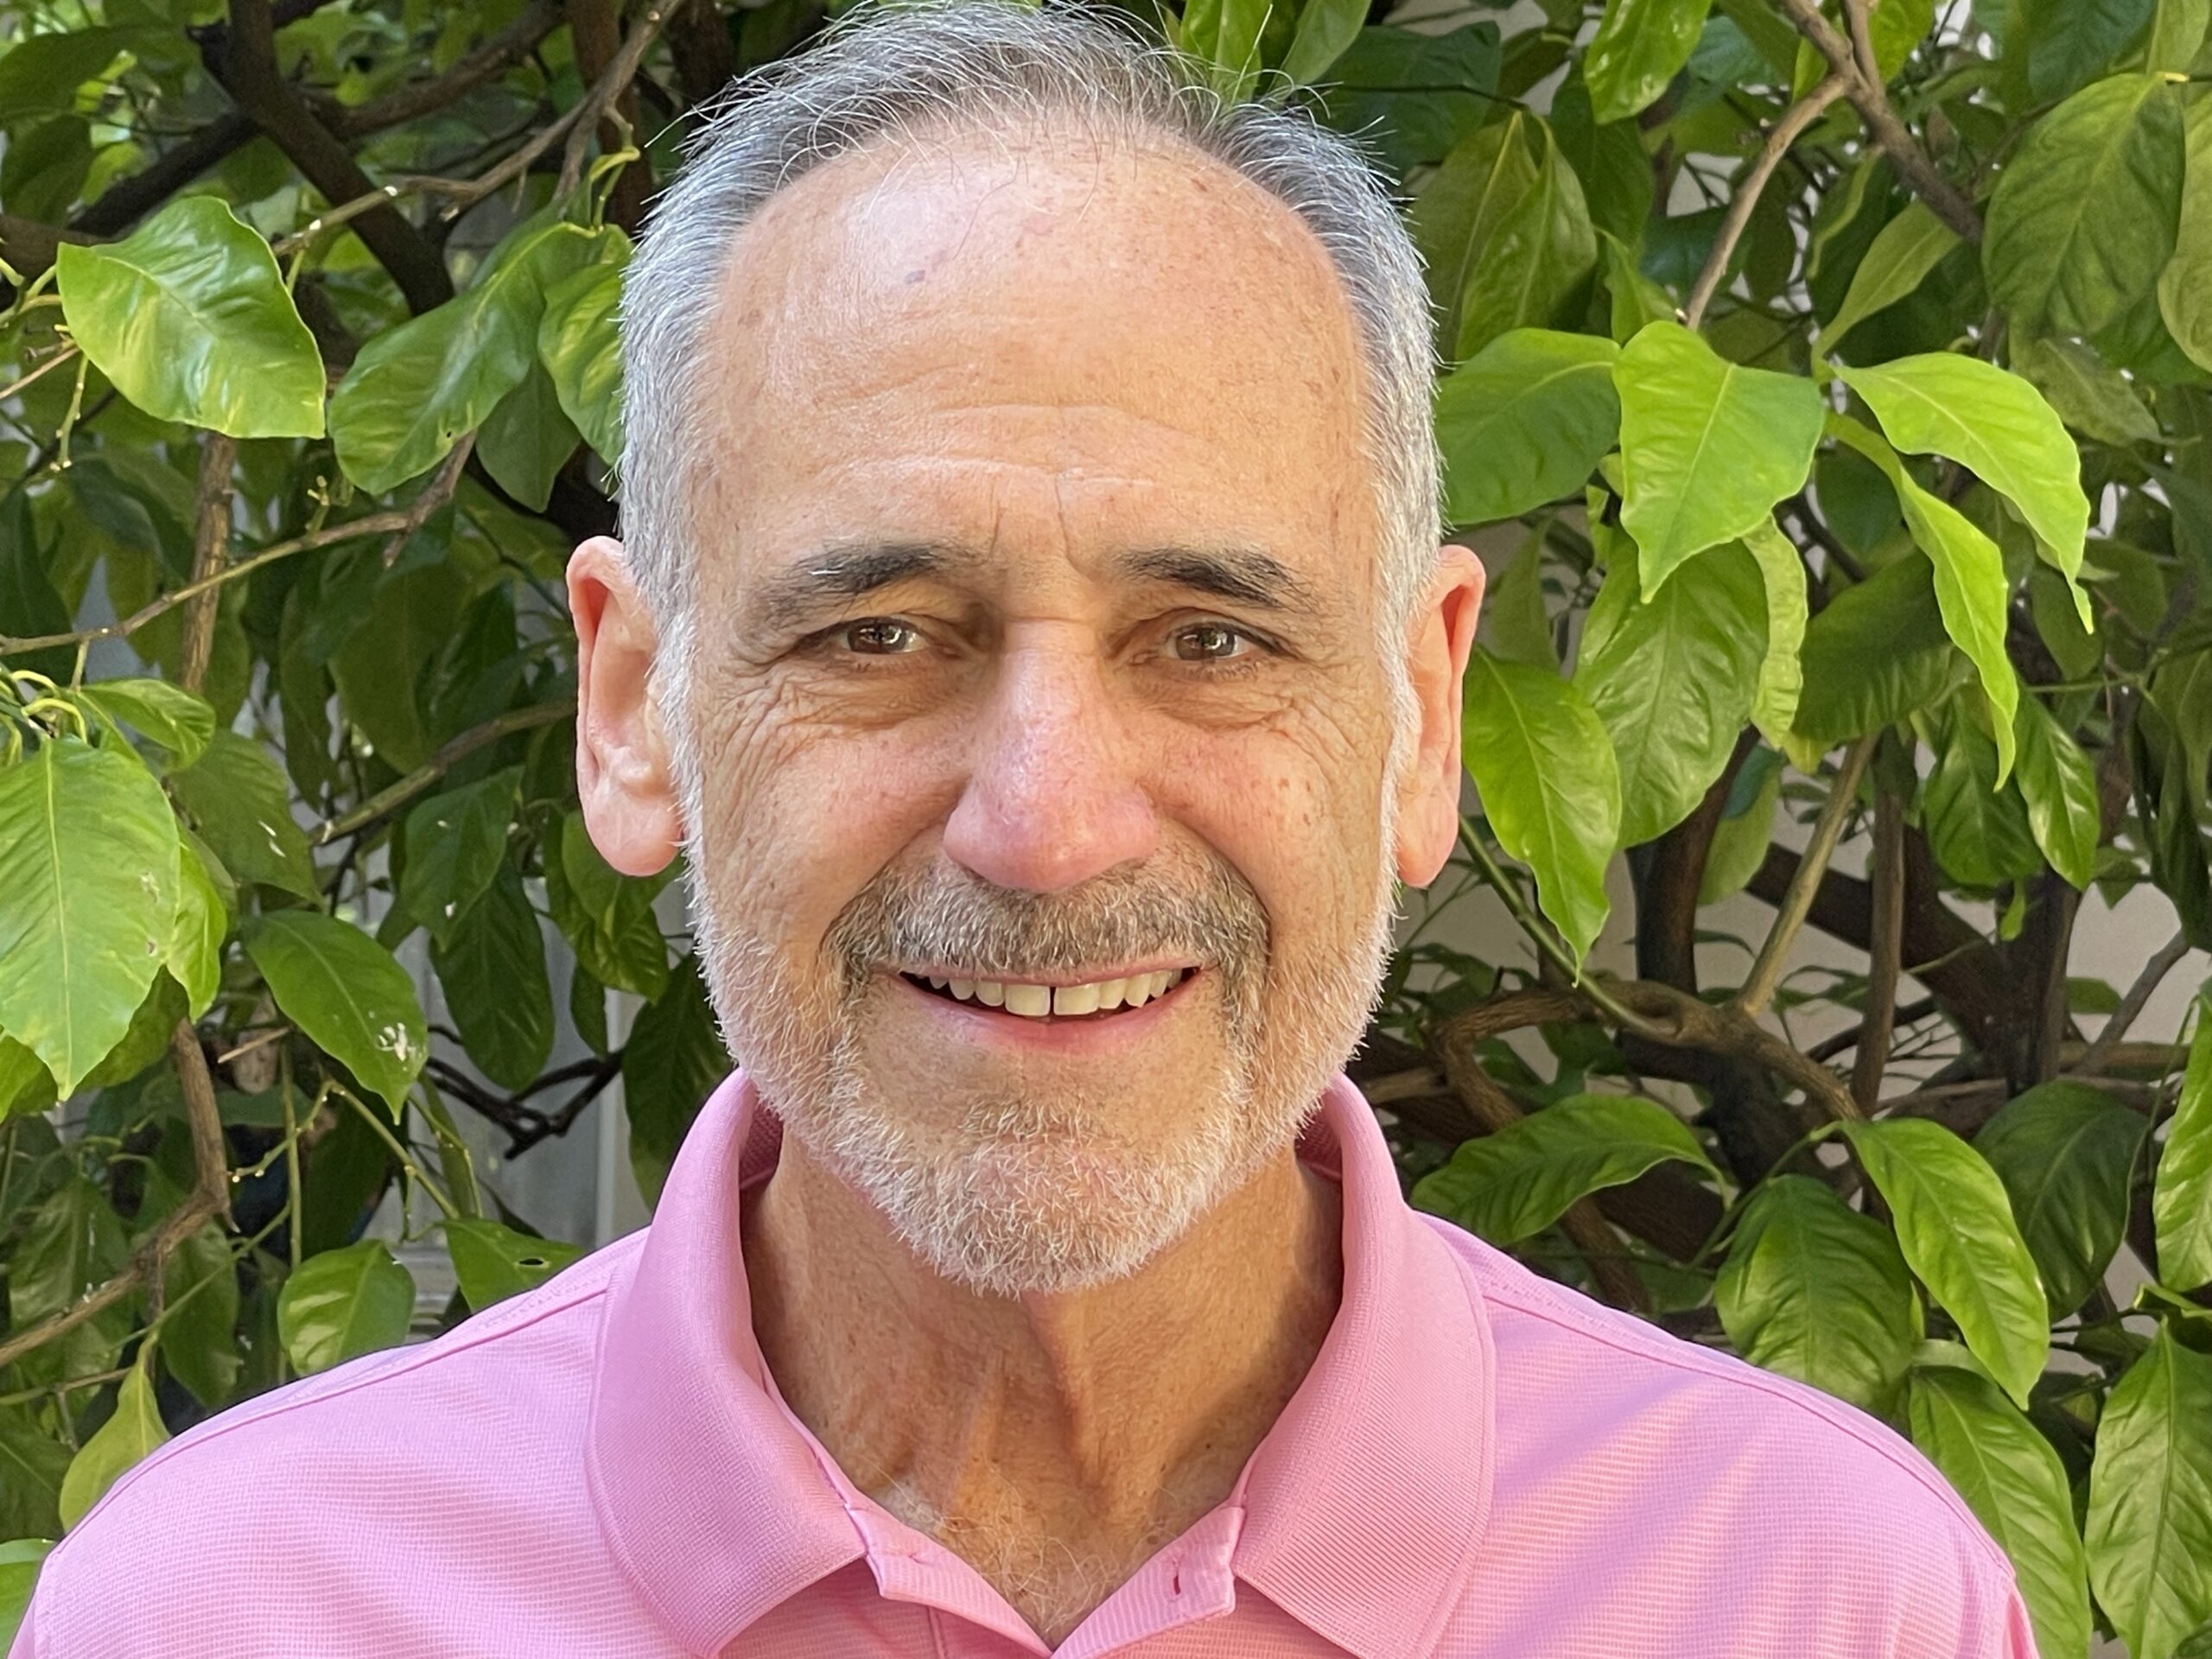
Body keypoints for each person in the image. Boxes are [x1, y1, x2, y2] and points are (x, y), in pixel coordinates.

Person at [11, 4, 2037, 1655]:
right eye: (878, 634)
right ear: (632, 713)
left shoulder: (1820, 1600)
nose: (1047, 829)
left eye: (1210, 638)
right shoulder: (229, 1613)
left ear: (1418, 717)